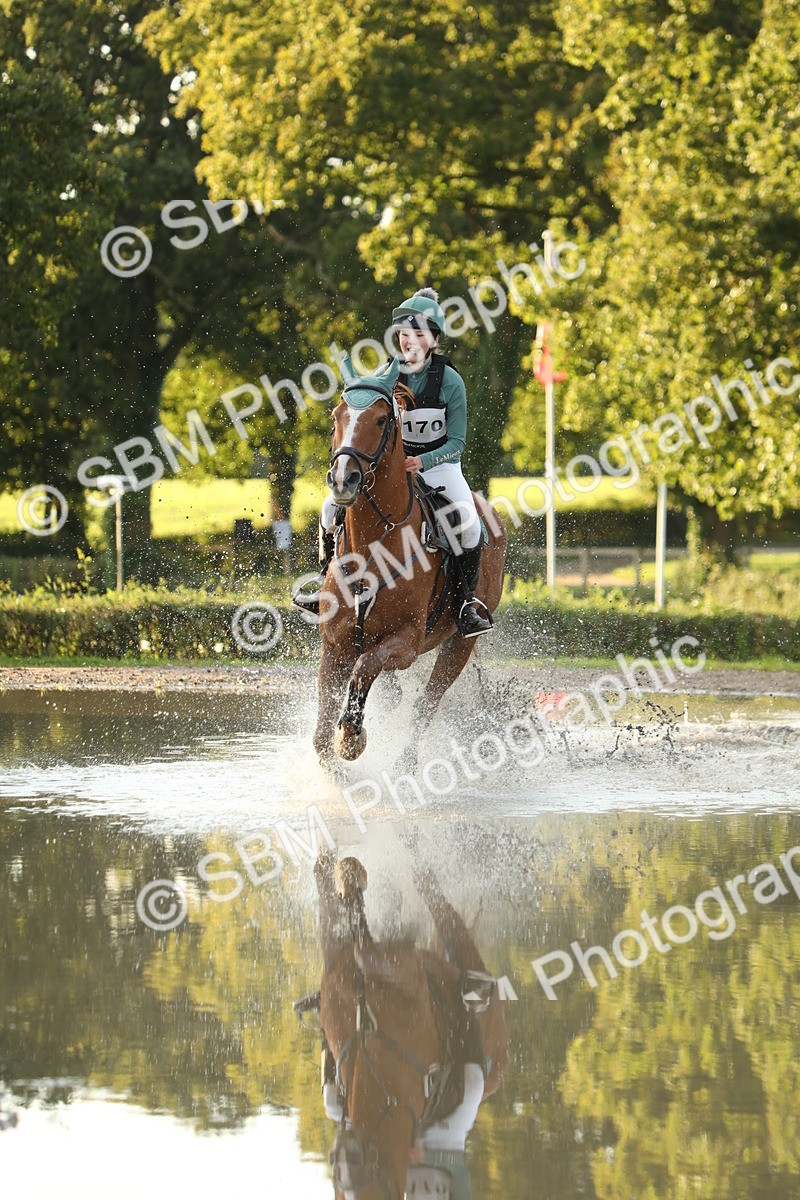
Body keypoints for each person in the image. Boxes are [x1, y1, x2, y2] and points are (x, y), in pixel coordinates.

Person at [292, 288, 492, 637]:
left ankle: (464, 604)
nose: (408, 342)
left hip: (439, 464)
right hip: (392, 466)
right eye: (403, 335)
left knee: (470, 523)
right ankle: (327, 585)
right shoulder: (387, 375)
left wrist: (424, 460)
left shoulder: (450, 382)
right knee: (328, 509)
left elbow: (457, 443)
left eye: (417, 335)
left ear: (433, 339)